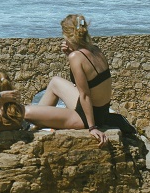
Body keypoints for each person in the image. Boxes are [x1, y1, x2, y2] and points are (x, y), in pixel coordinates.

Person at [23, 14, 116, 143]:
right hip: (101, 111)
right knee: (55, 82)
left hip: (86, 117)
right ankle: (41, 121)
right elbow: (91, 83)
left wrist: (92, 127)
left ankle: (38, 121)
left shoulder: (76, 57)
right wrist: (69, 54)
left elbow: (85, 94)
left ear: (67, 35)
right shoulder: (95, 50)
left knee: (26, 112)